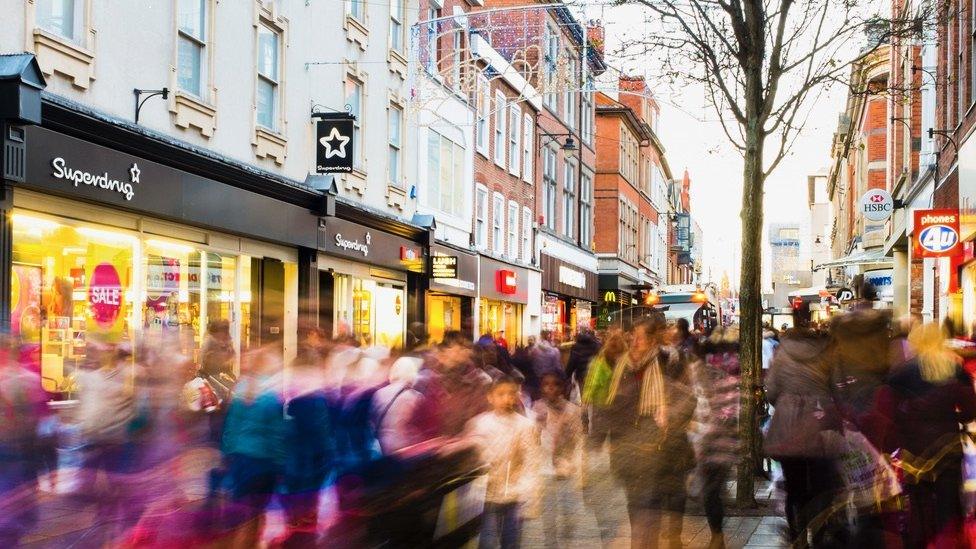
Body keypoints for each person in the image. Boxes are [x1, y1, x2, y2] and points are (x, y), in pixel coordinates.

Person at [876, 323, 976, 547]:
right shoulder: (956, 371)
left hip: (913, 450)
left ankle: (920, 542)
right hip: (947, 447)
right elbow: (971, 412)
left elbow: (887, 413)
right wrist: (954, 419)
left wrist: (889, 443)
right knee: (948, 504)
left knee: (919, 504)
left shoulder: (900, 375)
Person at [593, 315, 673, 549]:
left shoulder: (665, 362)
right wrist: (602, 437)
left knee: (648, 500)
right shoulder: (621, 366)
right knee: (634, 501)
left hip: (653, 445)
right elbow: (610, 404)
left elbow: (682, 399)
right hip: (626, 445)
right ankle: (641, 542)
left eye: (642, 337)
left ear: (652, 340)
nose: (636, 341)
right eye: (633, 336)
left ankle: (644, 544)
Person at [763, 328, 844, 545]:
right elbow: (837, 388)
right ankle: (819, 534)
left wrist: (786, 403)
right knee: (821, 485)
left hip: (789, 427)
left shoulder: (782, 353)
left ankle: (797, 534)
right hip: (820, 424)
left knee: (795, 486)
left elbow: (770, 390)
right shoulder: (826, 352)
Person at [466, 376, 540, 549]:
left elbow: (531, 461)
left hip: (513, 494)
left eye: (511, 394)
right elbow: (473, 459)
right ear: (490, 397)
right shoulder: (479, 424)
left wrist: (530, 494)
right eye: (501, 394)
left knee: (511, 539)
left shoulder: (525, 426)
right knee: (486, 540)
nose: (507, 398)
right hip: (486, 495)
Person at [697, 327, 741, 549]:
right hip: (717, 442)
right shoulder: (730, 379)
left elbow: (727, 413)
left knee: (711, 491)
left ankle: (717, 535)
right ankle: (717, 535)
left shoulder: (704, 376)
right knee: (712, 490)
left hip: (712, 442)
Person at [532, 371, 583, 548]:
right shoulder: (537, 408)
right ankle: (550, 543)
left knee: (569, 510)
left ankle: (567, 541)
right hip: (545, 468)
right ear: (541, 388)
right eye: (546, 384)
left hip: (566, 468)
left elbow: (578, 439)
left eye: (555, 384)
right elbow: (532, 438)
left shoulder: (573, 410)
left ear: (563, 387)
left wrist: (576, 463)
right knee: (548, 511)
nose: (551, 388)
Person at [410, 331, 492, 441]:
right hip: (433, 448)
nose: (465, 351)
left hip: (463, 449)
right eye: (459, 347)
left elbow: (480, 419)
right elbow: (418, 419)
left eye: (465, 348)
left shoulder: (477, 381)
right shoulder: (429, 379)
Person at [565, 328, 601, 400]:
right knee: (594, 398)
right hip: (595, 375)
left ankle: (585, 410)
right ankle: (593, 410)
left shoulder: (576, 346)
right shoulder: (597, 345)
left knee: (584, 398)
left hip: (582, 376)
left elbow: (572, 362)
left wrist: (567, 375)